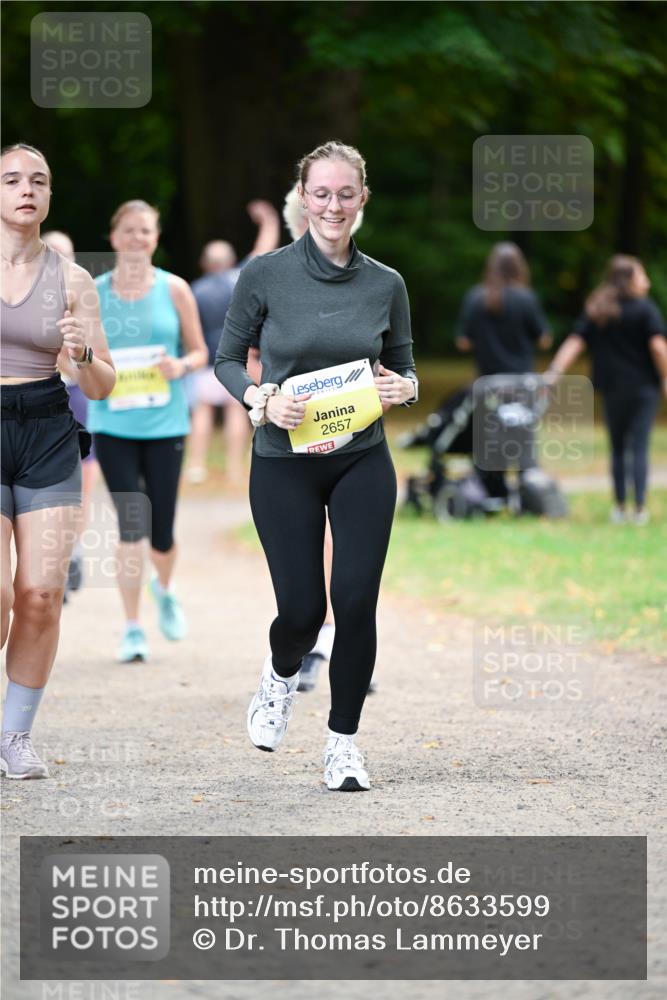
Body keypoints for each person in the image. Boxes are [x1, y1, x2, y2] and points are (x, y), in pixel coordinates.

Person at [215, 140, 418, 791]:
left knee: (354, 602)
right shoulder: (266, 275)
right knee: (302, 611)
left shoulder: (386, 283)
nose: (333, 205)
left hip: (361, 458)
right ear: (303, 198)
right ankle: (278, 678)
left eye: (345, 193)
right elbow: (226, 360)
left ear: (362, 199)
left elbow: (404, 367)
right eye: (321, 193)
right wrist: (260, 400)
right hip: (284, 461)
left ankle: (343, 745)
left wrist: (404, 388)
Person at [1, 143, 115, 779]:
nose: (27, 189)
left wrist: (82, 354)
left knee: (41, 594)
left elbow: (101, 385)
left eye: (38, 180)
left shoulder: (73, 281)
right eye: (12, 179)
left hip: (47, 430)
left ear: (49, 195)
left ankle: (14, 736)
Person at [87, 200, 207, 662]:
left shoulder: (175, 289)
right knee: (130, 524)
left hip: (165, 423)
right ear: (113, 237)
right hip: (113, 423)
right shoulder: (94, 292)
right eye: (129, 230)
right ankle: (132, 627)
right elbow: (77, 355)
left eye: (145, 231)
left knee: (162, 530)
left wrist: (181, 365)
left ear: (156, 239)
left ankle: (165, 588)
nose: (137, 238)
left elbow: (200, 351)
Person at [282, 183, 364, 693]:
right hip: (291, 439)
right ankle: (305, 644)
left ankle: (339, 645)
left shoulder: (368, 281)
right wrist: (270, 398)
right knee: (302, 556)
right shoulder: (272, 278)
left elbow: (386, 358)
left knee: (347, 549)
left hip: (350, 437)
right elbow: (243, 358)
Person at [547, 255, 667, 524]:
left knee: (617, 447)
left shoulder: (599, 310)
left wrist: (554, 372)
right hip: (643, 388)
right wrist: (666, 377)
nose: (647, 282)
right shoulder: (645, 309)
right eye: (642, 276)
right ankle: (639, 508)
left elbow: (575, 341)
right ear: (628, 279)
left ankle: (620, 507)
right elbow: (658, 347)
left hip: (612, 388)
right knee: (639, 446)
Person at [186, 201, 279, 486]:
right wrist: (269, 221)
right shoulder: (240, 279)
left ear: (204, 263)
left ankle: (196, 466)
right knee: (236, 411)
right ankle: (235, 468)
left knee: (202, 412)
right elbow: (262, 251)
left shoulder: (194, 290)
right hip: (237, 361)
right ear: (230, 260)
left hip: (207, 362)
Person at [456, 242, 551, 499]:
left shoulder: (476, 297)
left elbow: (463, 342)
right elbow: (544, 339)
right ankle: (526, 492)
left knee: (489, 437)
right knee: (522, 437)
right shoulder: (526, 299)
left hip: (488, 384)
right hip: (522, 383)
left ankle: (491, 490)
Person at [42, 230, 100, 595]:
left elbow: (95, 366)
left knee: (81, 486)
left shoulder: (87, 301)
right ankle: (49, 563)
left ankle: (72, 553)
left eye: (65, 254)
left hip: (76, 398)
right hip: (34, 403)